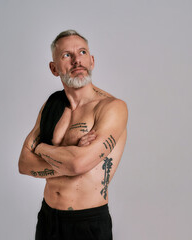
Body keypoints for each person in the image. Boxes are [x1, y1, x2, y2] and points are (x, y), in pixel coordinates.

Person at [18, 30, 128, 240]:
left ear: (92, 60)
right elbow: (23, 164)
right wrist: (69, 158)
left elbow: (78, 164)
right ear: (54, 68)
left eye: (82, 52)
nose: (77, 60)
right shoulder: (52, 105)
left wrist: (40, 148)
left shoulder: (112, 107)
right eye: (67, 55)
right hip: (48, 218)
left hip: (87, 223)